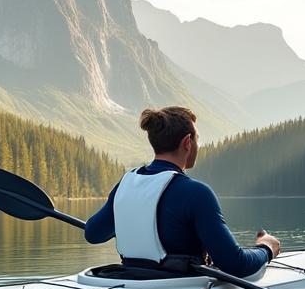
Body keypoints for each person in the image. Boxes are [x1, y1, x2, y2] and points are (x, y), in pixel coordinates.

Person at [85, 106, 281, 277]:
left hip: (129, 281)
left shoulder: (126, 183)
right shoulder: (196, 193)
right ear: (187, 142)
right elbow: (236, 264)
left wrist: (132, 219)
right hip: (177, 287)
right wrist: (267, 247)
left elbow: (93, 234)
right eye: (197, 139)